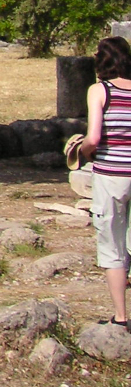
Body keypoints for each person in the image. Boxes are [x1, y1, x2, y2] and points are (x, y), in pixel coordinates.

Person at [83, 34, 131, 327]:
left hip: (111, 176)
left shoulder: (99, 91)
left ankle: (121, 318)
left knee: (112, 248)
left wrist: (83, 151)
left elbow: (94, 138)